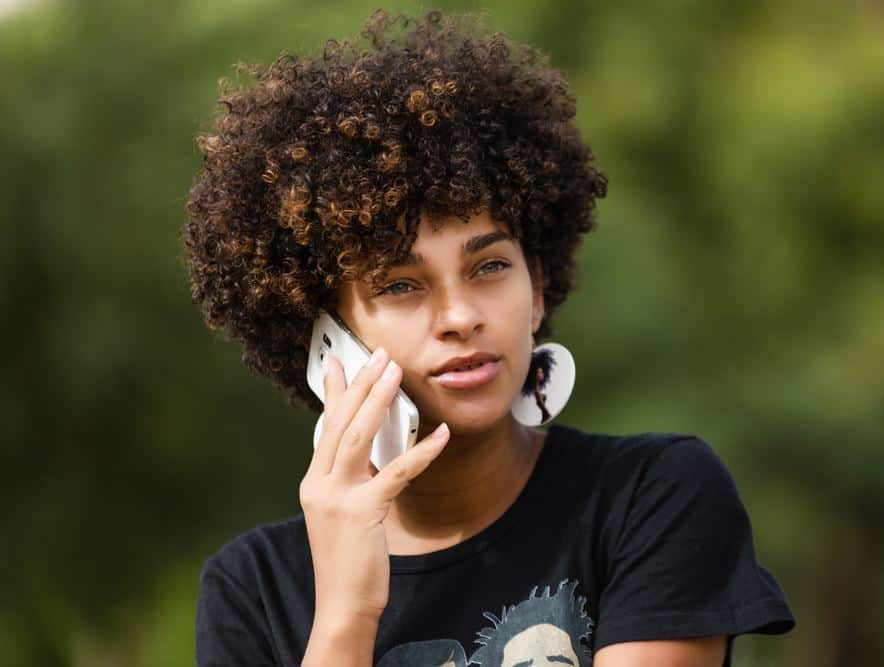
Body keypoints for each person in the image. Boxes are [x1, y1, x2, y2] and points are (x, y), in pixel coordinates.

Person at [183, 9, 795, 666]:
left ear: (537, 288)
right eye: (400, 285)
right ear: (328, 339)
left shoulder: (653, 495)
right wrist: (344, 613)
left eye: (490, 266)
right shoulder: (253, 591)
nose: (460, 315)